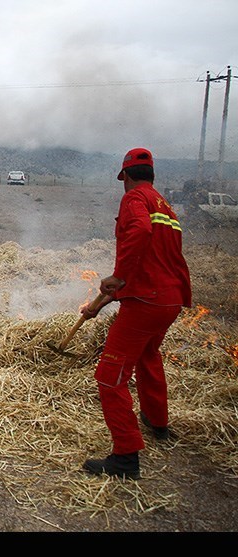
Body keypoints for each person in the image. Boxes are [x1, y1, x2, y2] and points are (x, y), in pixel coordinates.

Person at [79, 147, 192, 480]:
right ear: (153, 176)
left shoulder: (134, 199)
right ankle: (157, 423)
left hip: (148, 300)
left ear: (124, 176)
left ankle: (125, 457)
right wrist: (97, 304)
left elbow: (140, 234)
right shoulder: (165, 205)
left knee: (109, 376)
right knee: (148, 356)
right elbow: (155, 258)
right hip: (169, 299)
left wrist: (119, 276)